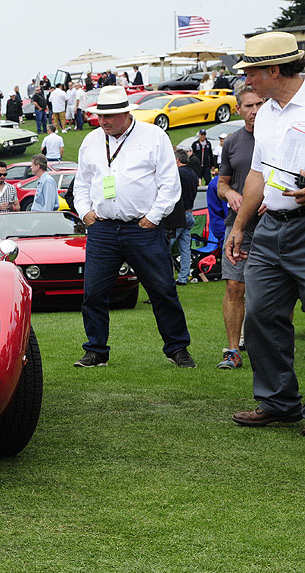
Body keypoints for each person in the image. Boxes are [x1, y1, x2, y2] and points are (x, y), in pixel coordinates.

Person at [73, 86, 193, 368]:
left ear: (126, 113)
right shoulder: (91, 141)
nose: (104, 121)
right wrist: (86, 212)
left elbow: (169, 183)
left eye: (110, 116)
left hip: (142, 228)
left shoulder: (153, 136)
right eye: (101, 115)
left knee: (162, 289)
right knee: (93, 292)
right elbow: (81, 183)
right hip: (102, 228)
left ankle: (178, 348)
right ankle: (96, 350)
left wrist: (153, 217)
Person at [225, 32, 305, 425]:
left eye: (252, 72)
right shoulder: (269, 111)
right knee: (260, 317)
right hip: (271, 227)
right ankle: (280, 404)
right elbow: (257, 172)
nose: (247, 82)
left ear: (274, 69)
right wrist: (240, 225)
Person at [216, 86, 264, 370]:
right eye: (248, 106)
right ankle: (233, 350)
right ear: (238, 110)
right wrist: (229, 193)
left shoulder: (277, 136)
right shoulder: (232, 142)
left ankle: (265, 349)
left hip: (273, 223)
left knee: (273, 291)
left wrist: (273, 197)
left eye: (259, 103)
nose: (254, 110)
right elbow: (223, 183)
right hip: (237, 226)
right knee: (234, 286)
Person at [168, 149, 198, 286]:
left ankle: (166, 278)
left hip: (178, 215)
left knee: (165, 247)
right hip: (190, 213)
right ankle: (184, 276)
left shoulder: (177, 174)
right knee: (185, 249)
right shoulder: (192, 173)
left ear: (177, 160)